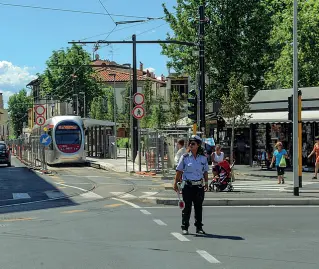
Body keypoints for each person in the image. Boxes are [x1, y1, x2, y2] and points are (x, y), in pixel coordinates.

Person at [174, 135, 209, 235]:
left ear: (198, 145)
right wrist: (175, 184)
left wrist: (206, 183)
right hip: (188, 186)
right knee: (187, 207)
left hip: (198, 186)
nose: (190, 145)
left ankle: (199, 227)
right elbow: (179, 171)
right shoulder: (184, 157)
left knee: (198, 207)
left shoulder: (203, 158)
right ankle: (185, 227)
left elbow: (205, 172)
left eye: (193, 143)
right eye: (189, 143)